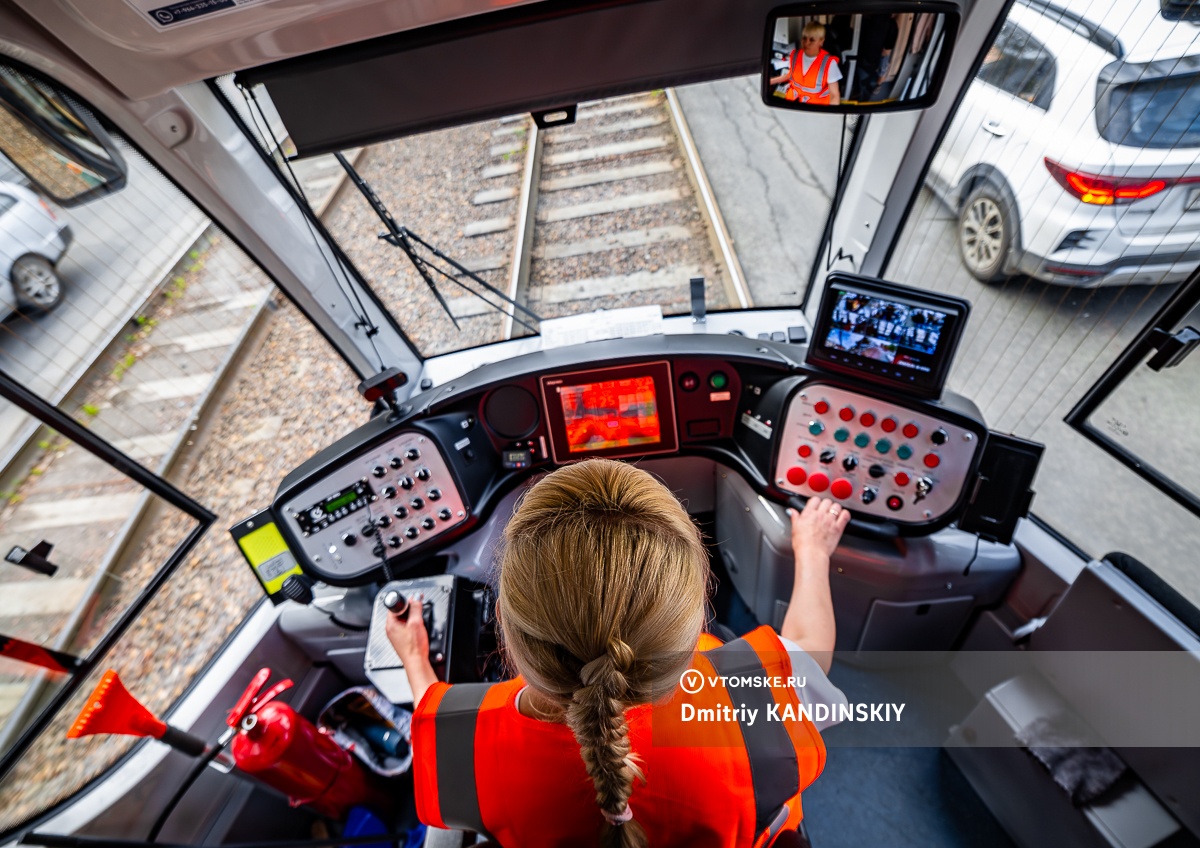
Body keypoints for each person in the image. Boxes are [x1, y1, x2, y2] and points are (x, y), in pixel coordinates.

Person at [387, 459, 850, 847]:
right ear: (691, 628)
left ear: (505, 625)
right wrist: (814, 551)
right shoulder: (750, 699)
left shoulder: (461, 742)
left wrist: (415, 658)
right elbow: (811, 652)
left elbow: (432, 709)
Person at [769, 21, 842, 106]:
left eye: (812, 40)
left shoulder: (829, 63)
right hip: (791, 103)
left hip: (815, 108)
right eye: (804, 38)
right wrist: (771, 81)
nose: (806, 42)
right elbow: (791, 75)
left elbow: (834, 95)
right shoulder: (795, 55)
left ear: (821, 41)